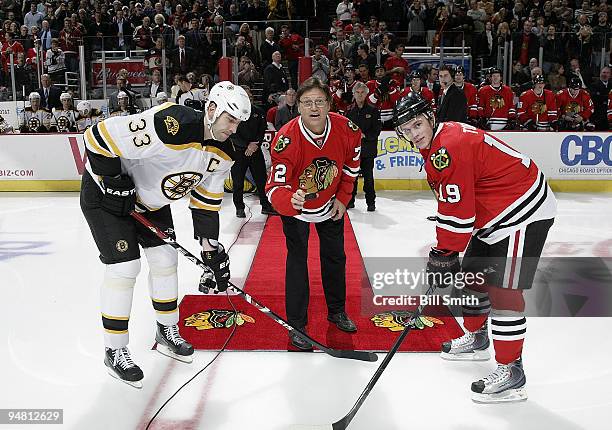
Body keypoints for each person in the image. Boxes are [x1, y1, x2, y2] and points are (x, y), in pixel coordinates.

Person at [80, 82, 251, 388]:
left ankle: (166, 331)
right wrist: (113, 178)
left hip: (150, 202)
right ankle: (114, 349)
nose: (233, 128)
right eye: (230, 119)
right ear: (211, 110)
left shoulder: (225, 152)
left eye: (238, 122)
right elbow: (97, 137)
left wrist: (210, 248)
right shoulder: (170, 124)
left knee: (165, 258)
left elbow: (205, 201)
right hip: (106, 195)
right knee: (124, 267)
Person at [393, 92, 556, 404]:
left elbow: (459, 213)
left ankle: (511, 372)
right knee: (472, 275)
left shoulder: (447, 147)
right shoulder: (437, 144)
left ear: (430, 117)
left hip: (524, 210)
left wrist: (443, 253)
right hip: (494, 211)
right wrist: (446, 251)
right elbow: (453, 203)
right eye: (407, 129)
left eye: (417, 124)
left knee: (505, 293)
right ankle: (478, 337)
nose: (414, 134)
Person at [265, 77, 361, 350]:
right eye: (308, 102)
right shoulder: (286, 138)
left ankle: (337, 311)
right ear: (298, 107)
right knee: (297, 260)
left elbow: (351, 169)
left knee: (335, 256)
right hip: (296, 208)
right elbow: (274, 187)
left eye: (320, 101)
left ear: (329, 104)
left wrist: (343, 198)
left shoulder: (347, 129)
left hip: (330, 202)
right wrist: (289, 201)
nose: (314, 107)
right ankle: (297, 324)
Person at [230, 86, 277, 218]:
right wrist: (247, 146)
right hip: (239, 152)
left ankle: (266, 205)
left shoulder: (259, 111)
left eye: (249, 97)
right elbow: (232, 134)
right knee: (237, 181)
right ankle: (239, 208)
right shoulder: (233, 113)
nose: (248, 99)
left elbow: (262, 130)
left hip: (256, 150)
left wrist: (255, 145)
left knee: (261, 179)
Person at [345, 81, 381, 211]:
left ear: (366, 94)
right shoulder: (349, 111)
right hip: (353, 152)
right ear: (354, 94)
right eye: (357, 92)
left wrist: (364, 135)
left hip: (368, 151)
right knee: (351, 178)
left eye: (362, 93)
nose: (360, 95)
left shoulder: (373, 111)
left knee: (368, 179)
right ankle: (350, 201)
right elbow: (345, 131)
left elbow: (377, 130)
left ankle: (371, 203)